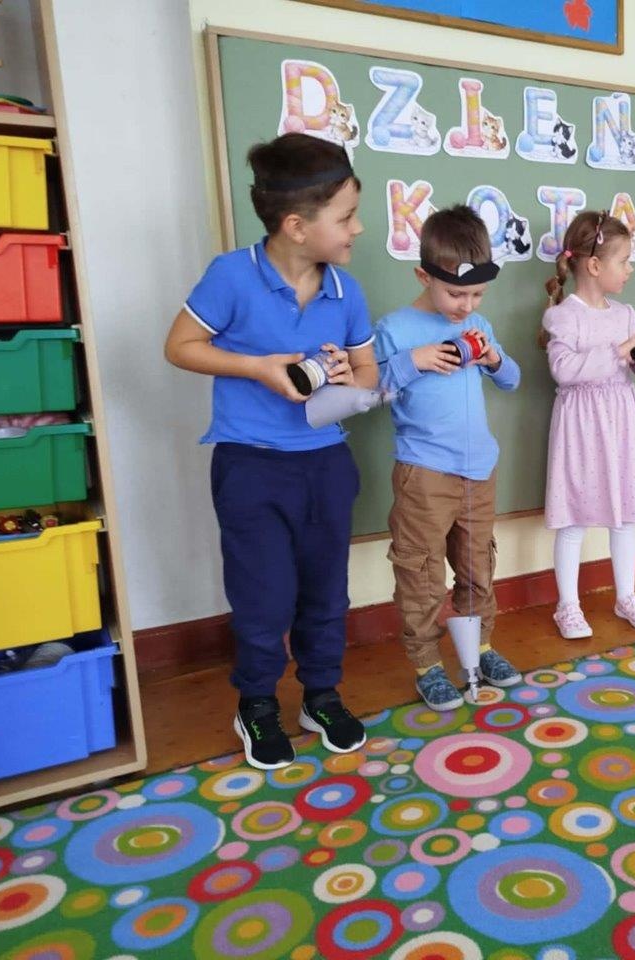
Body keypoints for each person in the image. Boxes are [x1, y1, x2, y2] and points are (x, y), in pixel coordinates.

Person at [164, 133, 376, 769]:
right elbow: (180, 347)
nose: (358, 229)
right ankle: (256, 703)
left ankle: (321, 694)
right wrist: (258, 367)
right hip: (250, 465)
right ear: (296, 226)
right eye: (346, 217)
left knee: (326, 592)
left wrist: (350, 376)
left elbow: (367, 375)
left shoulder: (347, 291)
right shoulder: (231, 275)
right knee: (263, 597)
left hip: (326, 464)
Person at [374, 205, 522, 711]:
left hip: (478, 470)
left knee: (478, 565)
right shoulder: (395, 329)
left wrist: (494, 357)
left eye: (477, 294)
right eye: (457, 294)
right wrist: (411, 362)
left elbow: (512, 380)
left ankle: (479, 648)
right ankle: (427, 664)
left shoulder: (478, 323)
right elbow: (371, 389)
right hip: (424, 473)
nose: (467, 306)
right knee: (421, 573)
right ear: (424, 276)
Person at [541, 211, 635, 639]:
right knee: (573, 519)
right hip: (581, 426)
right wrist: (618, 352)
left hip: (621, 421)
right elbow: (564, 369)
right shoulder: (564, 315)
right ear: (595, 265)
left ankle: (626, 595)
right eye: (624, 261)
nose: (630, 269)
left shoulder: (625, 313)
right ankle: (568, 605)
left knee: (624, 515)